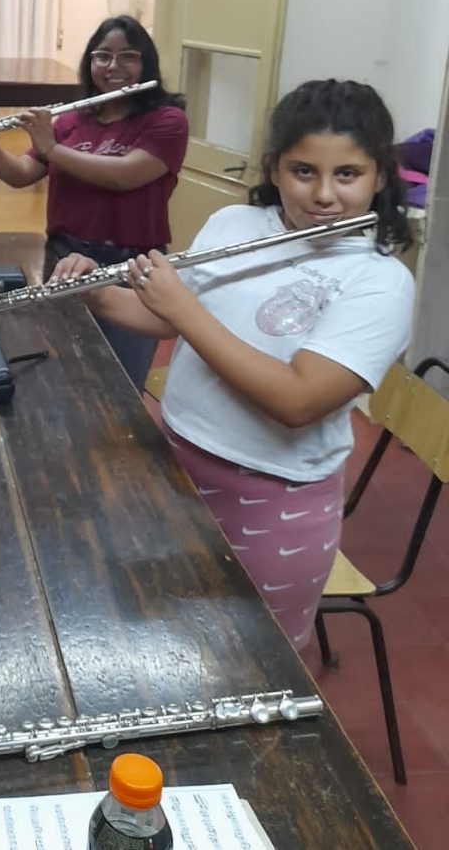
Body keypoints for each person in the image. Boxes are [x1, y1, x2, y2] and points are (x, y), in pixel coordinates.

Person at [50, 79, 415, 650]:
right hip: (171, 463)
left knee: (249, 670)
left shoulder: (380, 282)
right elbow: (164, 316)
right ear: (274, 169)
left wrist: (182, 308)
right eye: (303, 171)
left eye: (347, 174)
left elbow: (298, 400)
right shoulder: (235, 226)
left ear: (380, 177)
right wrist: (95, 296)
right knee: (155, 642)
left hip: (272, 502)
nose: (323, 194)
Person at [0, 15, 188, 391]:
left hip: (131, 268)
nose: (113, 67)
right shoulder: (72, 119)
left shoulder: (167, 120)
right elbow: (22, 173)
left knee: (118, 383)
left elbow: (124, 175)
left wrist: (51, 147)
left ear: (146, 63)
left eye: (128, 57)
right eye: (102, 56)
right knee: (63, 376)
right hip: (64, 261)